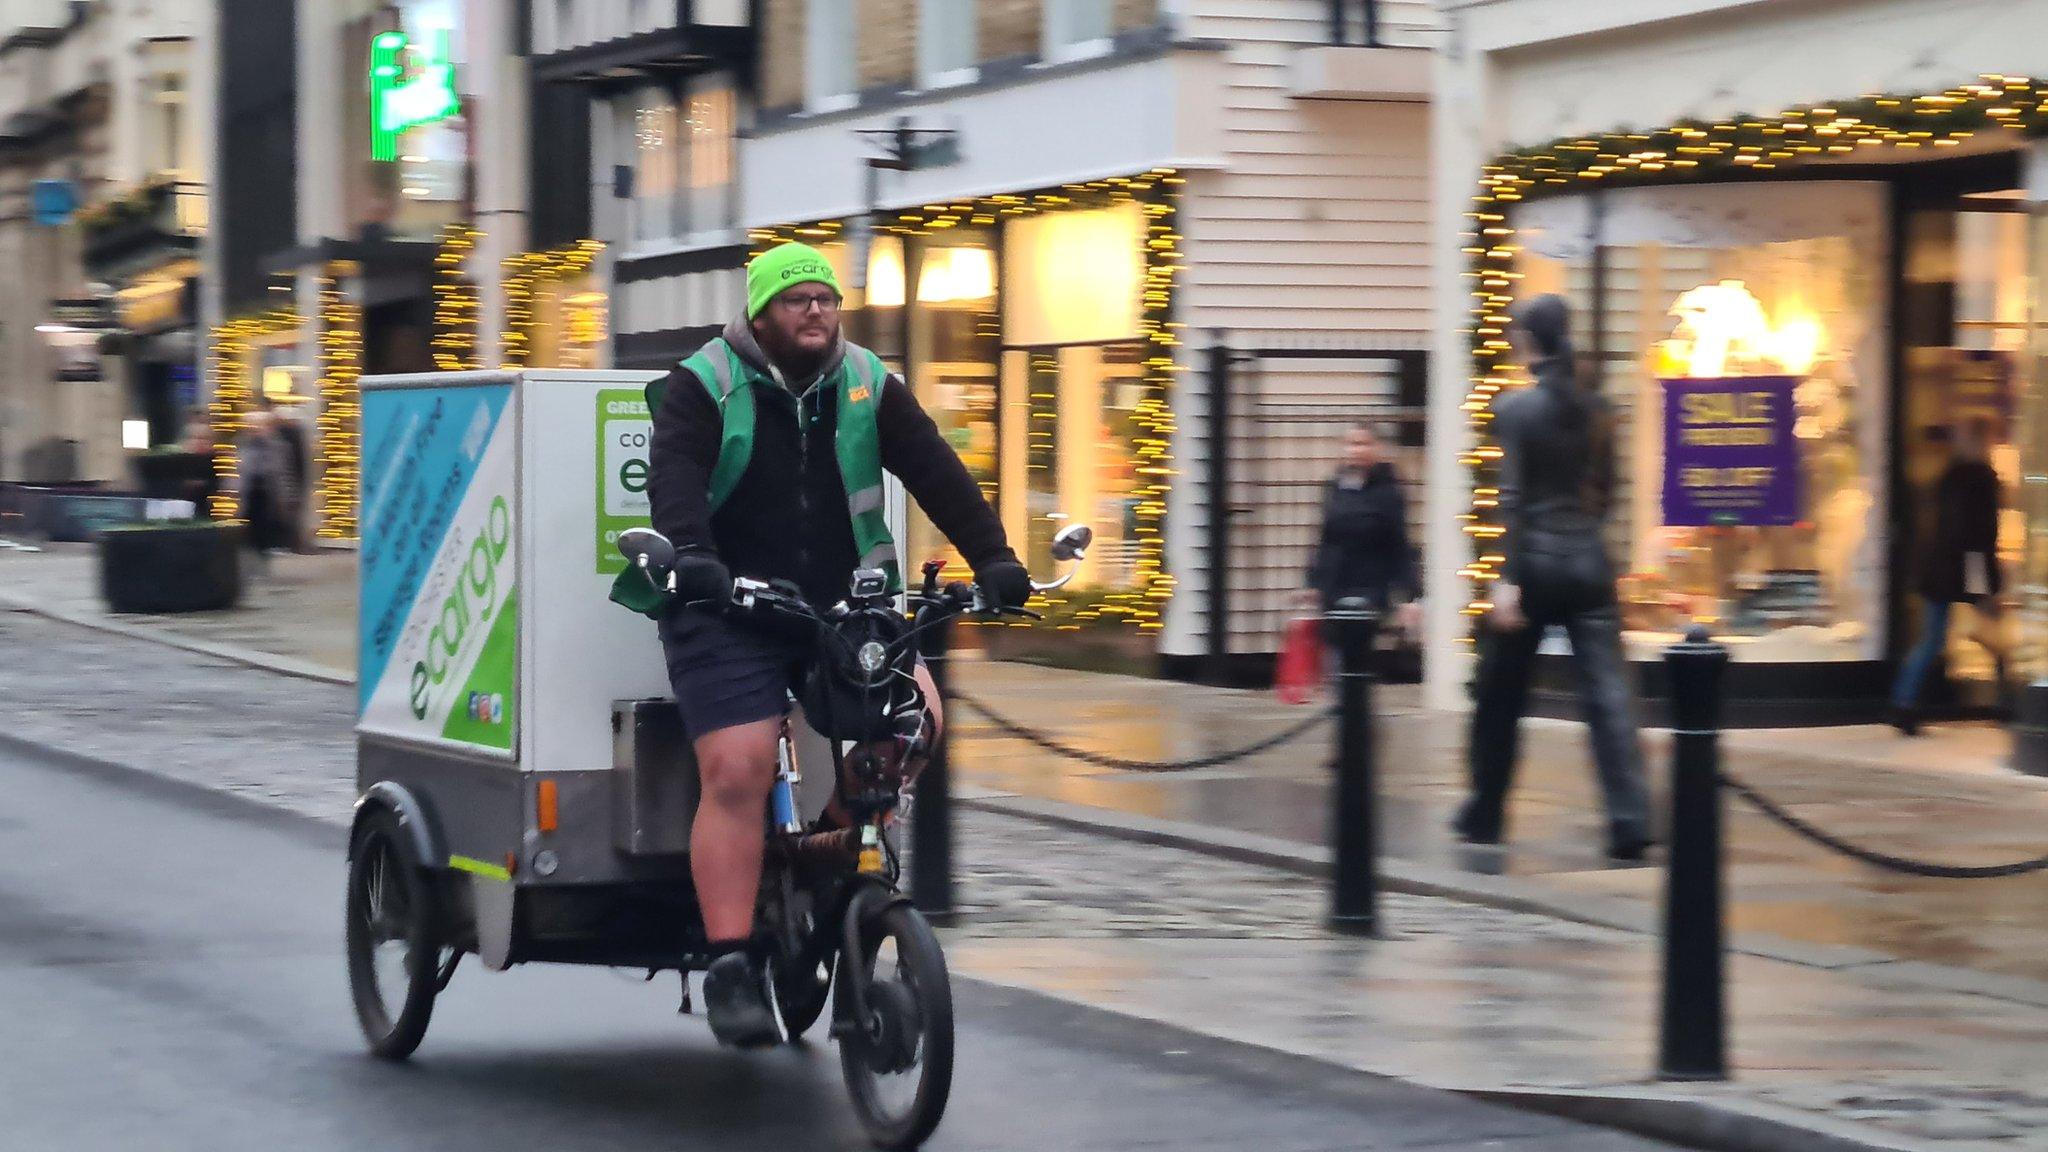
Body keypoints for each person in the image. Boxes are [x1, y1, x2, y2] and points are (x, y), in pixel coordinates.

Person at [646, 242, 1029, 1047]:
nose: (815, 311)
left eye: (825, 298)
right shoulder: (703, 382)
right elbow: (674, 476)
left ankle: (818, 856)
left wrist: (994, 557)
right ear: (759, 313)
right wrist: (695, 559)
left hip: (838, 611)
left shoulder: (866, 381)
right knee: (739, 768)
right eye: (796, 300)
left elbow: (935, 469)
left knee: (919, 720)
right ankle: (730, 966)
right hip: (729, 608)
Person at [1455, 294, 1653, 862]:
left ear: (1529, 341)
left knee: (1499, 693)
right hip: (1590, 562)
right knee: (1610, 696)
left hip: (1536, 564)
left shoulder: (1516, 410)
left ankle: (1485, 810)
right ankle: (1630, 817)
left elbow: (1512, 499)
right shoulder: (1599, 409)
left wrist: (1508, 579)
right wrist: (1586, 534)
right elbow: (1609, 492)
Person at [1891, 419, 2005, 734]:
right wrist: (1984, 585)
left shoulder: (1949, 477)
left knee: (1934, 638)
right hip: (1963, 569)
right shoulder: (1980, 479)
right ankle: (2008, 700)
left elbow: (1954, 531)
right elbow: (1979, 537)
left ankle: (1904, 703)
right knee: (1992, 632)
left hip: (1940, 570)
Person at [1300, 422, 1421, 635]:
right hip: (1335, 583)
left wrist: (1409, 594)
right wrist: (1312, 583)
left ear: (1377, 449)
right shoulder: (1335, 487)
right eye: (1350, 444)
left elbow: (1399, 543)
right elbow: (1325, 538)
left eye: (1363, 444)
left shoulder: (1388, 491)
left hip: (1371, 584)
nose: (1355, 450)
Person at [235, 404, 295, 568]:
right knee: (250, 531)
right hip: (249, 493)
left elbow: (283, 472)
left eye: (258, 426)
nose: (255, 429)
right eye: (251, 426)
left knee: (265, 530)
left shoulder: (278, 447)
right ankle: (254, 561)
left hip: (268, 494)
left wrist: (287, 497)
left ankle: (263, 559)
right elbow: (239, 470)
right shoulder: (243, 445)